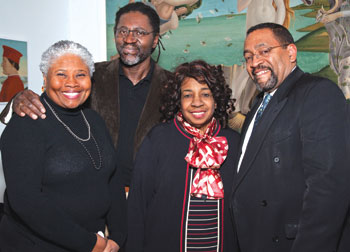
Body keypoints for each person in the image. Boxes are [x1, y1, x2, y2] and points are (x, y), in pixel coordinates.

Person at [0, 2, 170, 188]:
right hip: (94, 193)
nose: (129, 39)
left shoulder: (171, 86)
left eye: (139, 32)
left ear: (155, 40)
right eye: (122, 31)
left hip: (150, 195)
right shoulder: (88, 77)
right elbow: (48, 105)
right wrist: (18, 100)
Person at [231, 22, 350, 252]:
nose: (255, 62)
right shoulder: (258, 105)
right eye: (248, 57)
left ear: (291, 52)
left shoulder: (318, 93)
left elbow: (328, 188)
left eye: (264, 51)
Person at [0, 40, 126, 251]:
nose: (72, 83)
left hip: (95, 241)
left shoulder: (94, 119)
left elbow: (112, 178)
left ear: (90, 80)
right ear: (45, 78)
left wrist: (119, 235)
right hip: (37, 245)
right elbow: (27, 202)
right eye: (61, 74)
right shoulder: (25, 122)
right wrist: (91, 243)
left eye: (80, 74)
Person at [127, 60, 240, 251]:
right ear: (178, 100)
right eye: (188, 95)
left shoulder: (235, 142)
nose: (197, 102)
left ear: (216, 99)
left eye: (205, 94)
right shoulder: (158, 140)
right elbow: (137, 208)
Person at [227, 0, 294, 131]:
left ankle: (244, 105)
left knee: (262, 68)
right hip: (254, 27)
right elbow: (240, 7)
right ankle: (232, 101)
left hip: (270, 24)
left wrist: (277, 31)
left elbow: (280, 6)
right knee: (250, 67)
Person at [317, 0, 350, 99]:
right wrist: (325, 14)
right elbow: (336, 8)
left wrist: (337, 15)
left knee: (344, 78)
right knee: (339, 67)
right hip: (342, 36)